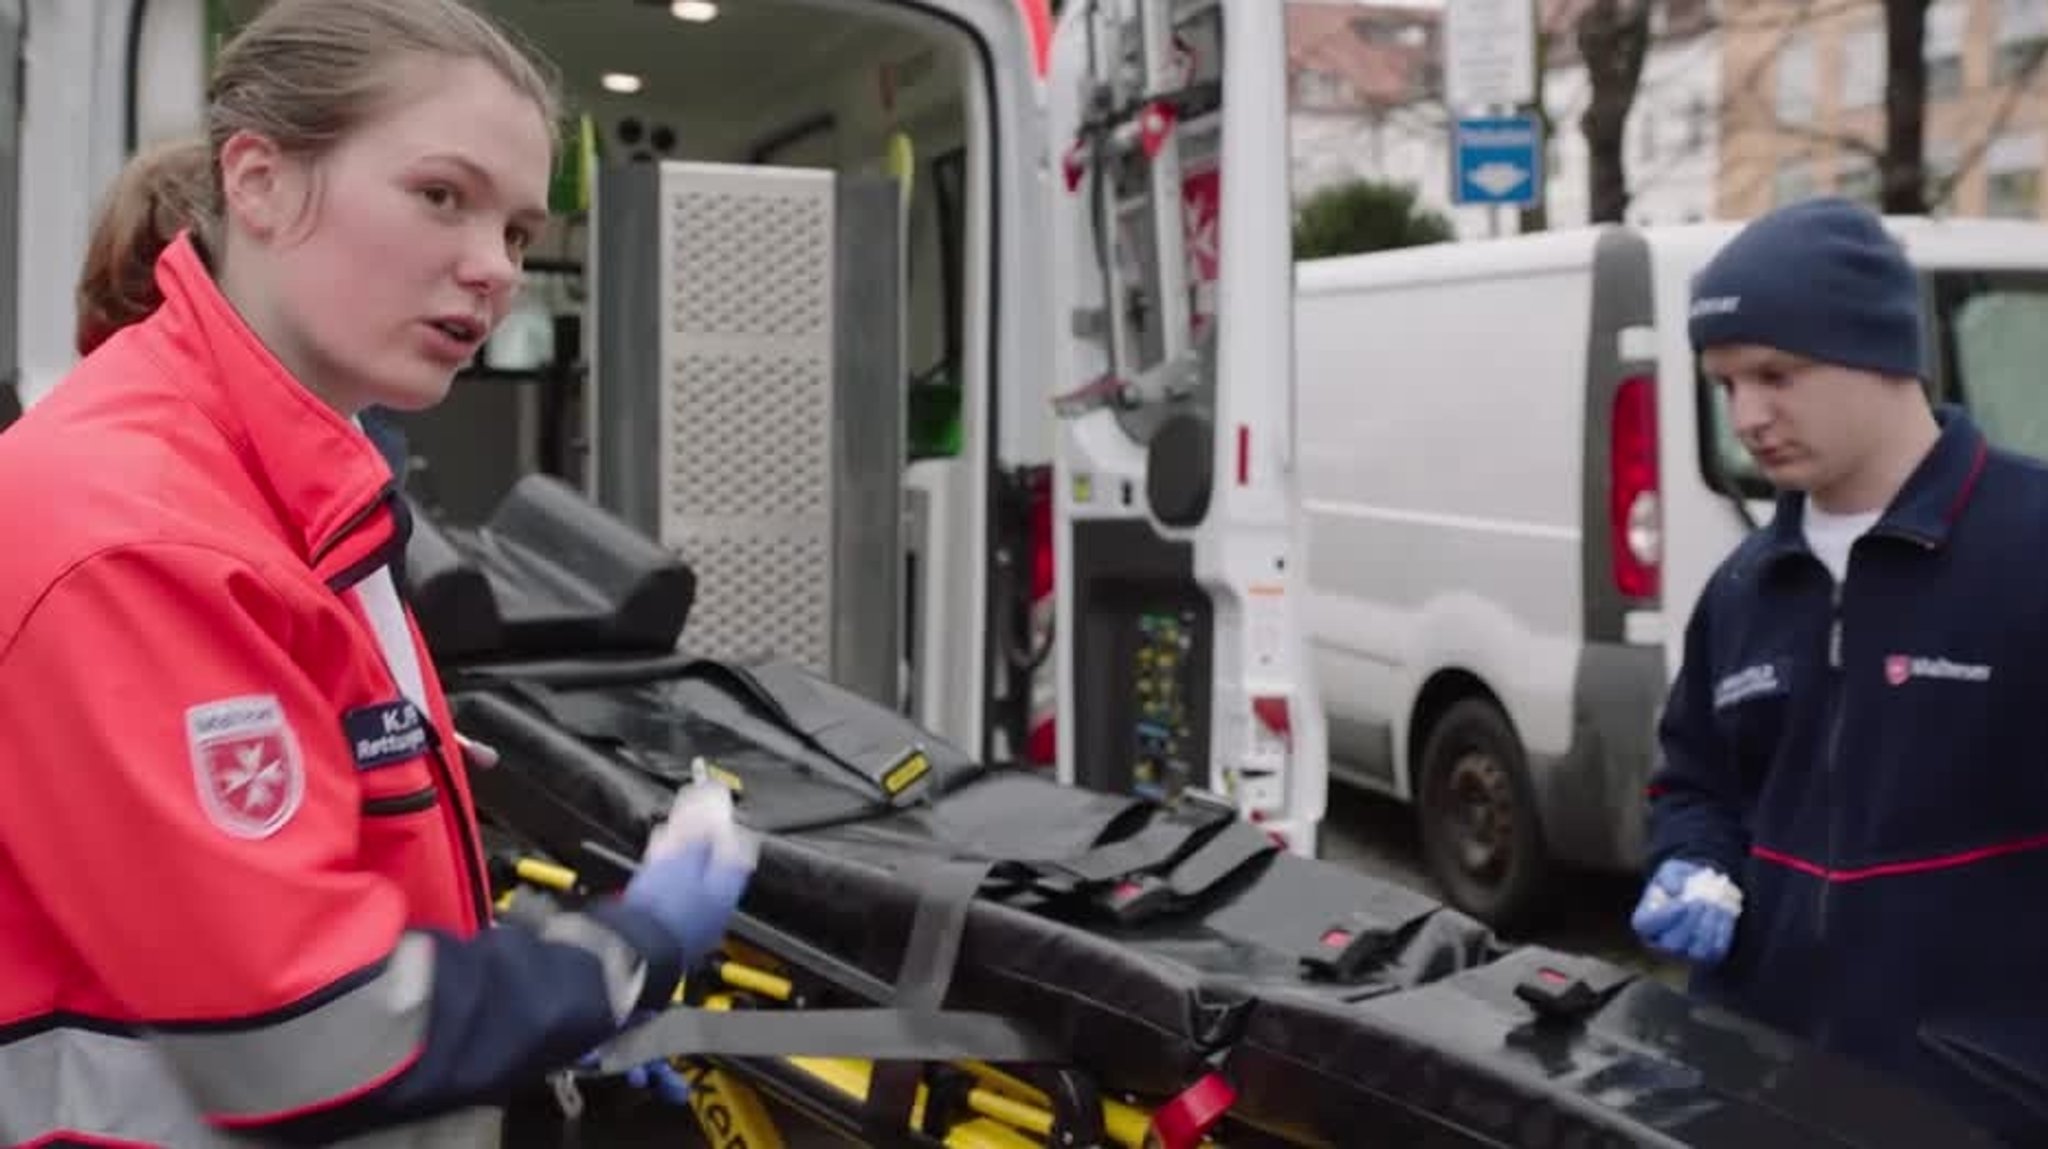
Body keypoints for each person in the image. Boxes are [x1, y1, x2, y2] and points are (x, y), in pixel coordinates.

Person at [0, 1, 751, 1145]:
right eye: (440, 196)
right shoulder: (139, 533)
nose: (492, 269)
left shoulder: (296, 478)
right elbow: (309, 1028)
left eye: (515, 229)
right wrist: (620, 955)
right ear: (256, 181)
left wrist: (521, 1035)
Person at [1634, 195, 2048, 1144]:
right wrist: (1691, 858)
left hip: (1978, 1103)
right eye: (1725, 383)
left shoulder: (2031, 549)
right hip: (1756, 1086)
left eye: (1776, 374)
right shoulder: (1746, 584)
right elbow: (1694, 779)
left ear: (1882, 351)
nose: (1747, 416)